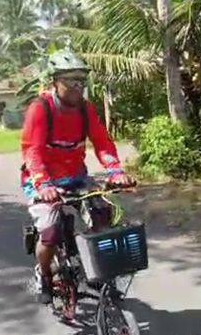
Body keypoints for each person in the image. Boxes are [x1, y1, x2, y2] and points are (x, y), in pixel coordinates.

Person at [20, 48, 135, 303]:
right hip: (41, 181)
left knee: (102, 216)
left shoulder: (85, 109)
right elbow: (32, 151)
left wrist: (116, 171)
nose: (77, 87)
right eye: (70, 80)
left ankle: (103, 276)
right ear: (55, 82)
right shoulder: (41, 109)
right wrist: (43, 184)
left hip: (76, 177)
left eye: (81, 81)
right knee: (49, 233)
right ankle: (44, 275)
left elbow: (103, 143)